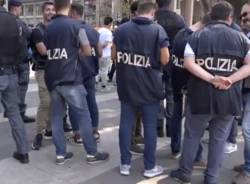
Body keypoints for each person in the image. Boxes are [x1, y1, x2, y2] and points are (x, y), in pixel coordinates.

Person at [170, 2, 250, 184]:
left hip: (200, 97)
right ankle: (211, 178)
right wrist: (231, 79)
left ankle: (185, 173)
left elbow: (189, 64)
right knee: (219, 140)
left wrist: (211, 78)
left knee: (192, 136)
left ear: (211, 17)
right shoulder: (242, 39)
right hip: (228, 98)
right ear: (230, 18)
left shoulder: (196, 36)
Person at [44, 0, 109, 165]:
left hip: (52, 78)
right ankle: (92, 153)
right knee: (84, 117)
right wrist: (75, 51)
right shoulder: (75, 26)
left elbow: (47, 49)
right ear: (69, 6)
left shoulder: (48, 27)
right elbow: (87, 50)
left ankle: (60, 154)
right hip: (70, 78)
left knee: (57, 117)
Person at [112, 0, 169, 178]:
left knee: (125, 124)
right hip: (149, 87)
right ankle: (149, 167)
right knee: (150, 127)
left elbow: (114, 55)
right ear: (152, 12)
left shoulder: (121, 30)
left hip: (126, 85)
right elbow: (165, 59)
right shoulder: (158, 30)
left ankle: (125, 164)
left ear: (138, 12)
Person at [170, 15, 212, 169]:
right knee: (193, 123)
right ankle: (197, 155)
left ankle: (175, 148)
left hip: (176, 81)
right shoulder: (197, 38)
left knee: (176, 115)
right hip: (191, 84)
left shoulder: (181, 33)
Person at [0, 0, 29, 164]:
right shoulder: (16, 21)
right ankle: (23, 151)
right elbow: (21, 47)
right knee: (14, 114)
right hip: (11, 72)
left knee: (14, 113)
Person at [69, 3, 102, 144]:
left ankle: (77, 134)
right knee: (91, 101)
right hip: (90, 72)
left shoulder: (71, 29)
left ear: (73, 12)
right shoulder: (93, 30)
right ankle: (94, 131)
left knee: (74, 104)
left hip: (76, 72)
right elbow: (100, 52)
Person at [155, 0, 186, 138]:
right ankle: (170, 125)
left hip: (154, 60)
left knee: (156, 94)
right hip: (173, 60)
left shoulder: (153, 17)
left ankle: (158, 125)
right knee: (171, 93)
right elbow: (183, 40)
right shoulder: (179, 19)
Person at [31, 1, 55, 150]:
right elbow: (43, 51)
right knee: (45, 101)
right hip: (43, 69)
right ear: (42, 12)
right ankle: (39, 133)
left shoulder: (56, 29)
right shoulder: (37, 31)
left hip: (56, 70)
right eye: (48, 10)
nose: (50, 12)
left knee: (55, 102)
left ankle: (50, 129)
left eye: (53, 9)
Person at [8, 0, 35, 123]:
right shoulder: (21, 23)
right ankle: (20, 114)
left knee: (11, 88)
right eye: (21, 8)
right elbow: (30, 36)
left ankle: (10, 111)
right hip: (22, 61)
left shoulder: (4, 22)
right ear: (17, 8)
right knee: (22, 88)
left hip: (8, 62)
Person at [232, 1, 250, 183]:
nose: (244, 19)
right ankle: (247, 164)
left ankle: (249, 169)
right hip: (244, 87)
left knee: (247, 129)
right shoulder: (243, 34)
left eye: (247, 15)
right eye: (242, 15)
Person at [97, 16, 113, 91]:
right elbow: (106, 43)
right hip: (106, 54)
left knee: (99, 69)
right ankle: (104, 85)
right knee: (105, 70)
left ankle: (97, 82)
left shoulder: (99, 30)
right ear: (110, 23)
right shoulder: (108, 32)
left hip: (98, 54)